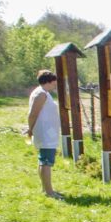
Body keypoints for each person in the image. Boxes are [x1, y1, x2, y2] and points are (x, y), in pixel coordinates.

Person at [27, 70, 63, 199]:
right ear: (49, 81)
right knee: (46, 162)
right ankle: (49, 192)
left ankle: (45, 189)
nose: (55, 85)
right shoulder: (41, 94)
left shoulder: (43, 93)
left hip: (47, 132)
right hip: (45, 132)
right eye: (54, 82)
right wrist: (30, 129)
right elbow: (33, 114)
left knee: (43, 160)